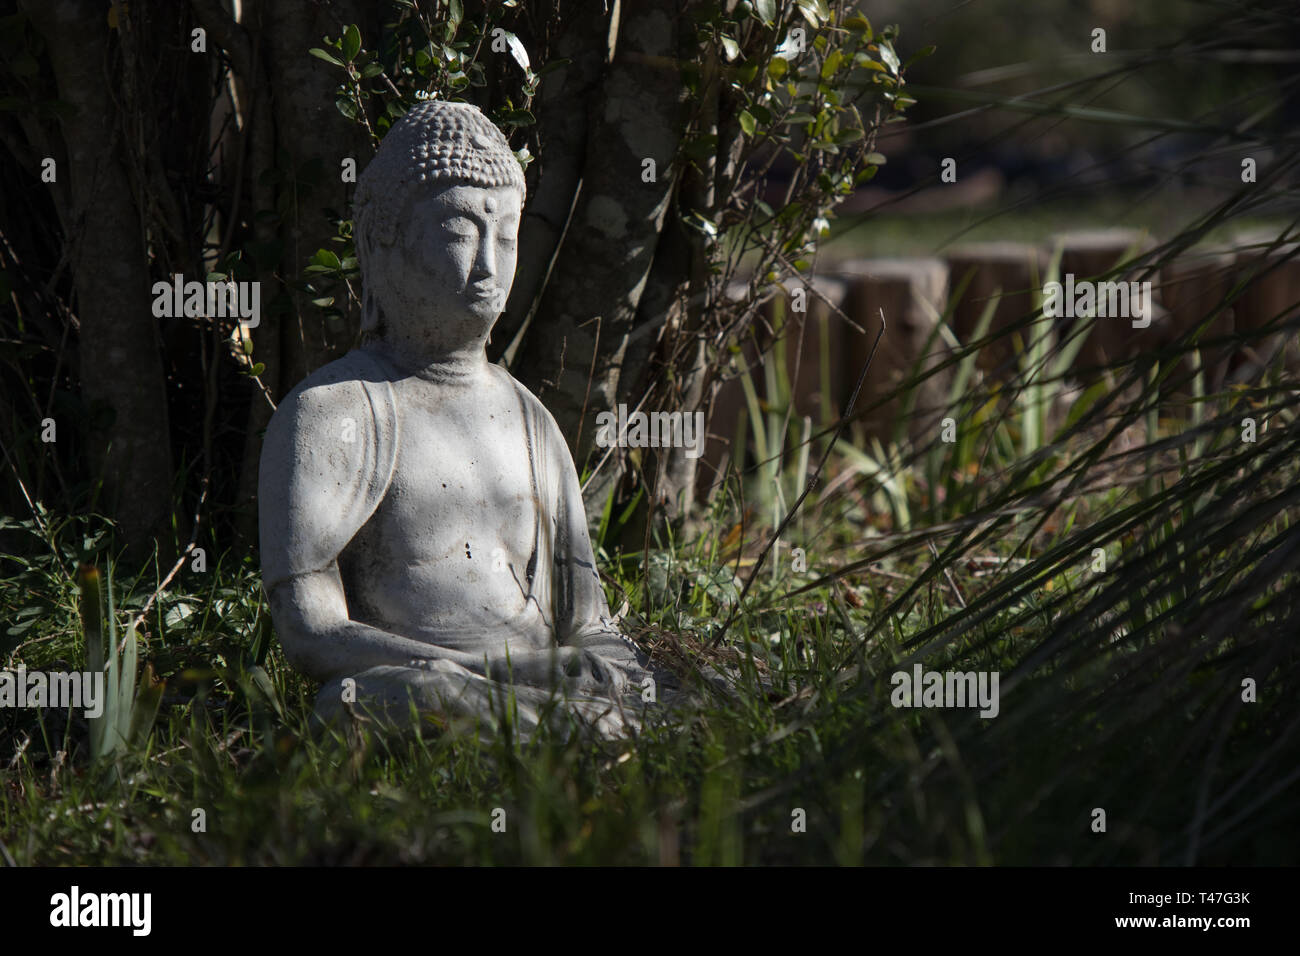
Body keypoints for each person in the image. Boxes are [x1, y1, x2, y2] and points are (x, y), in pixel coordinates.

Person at [258, 100, 654, 739]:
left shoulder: (533, 423)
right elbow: (311, 632)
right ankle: (562, 733)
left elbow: (590, 624)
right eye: (457, 233)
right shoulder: (333, 413)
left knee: (667, 690)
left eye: (505, 236)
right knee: (365, 700)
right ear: (378, 242)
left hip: (536, 689)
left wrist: (610, 665)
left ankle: (577, 730)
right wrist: (486, 674)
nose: (488, 267)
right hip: (427, 683)